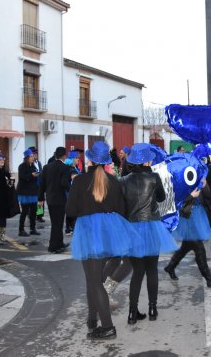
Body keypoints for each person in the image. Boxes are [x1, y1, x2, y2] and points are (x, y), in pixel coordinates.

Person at [66, 141, 139, 340]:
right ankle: (92, 319)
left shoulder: (79, 181)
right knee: (95, 281)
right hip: (111, 232)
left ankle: (107, 327)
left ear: (89, 159)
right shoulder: (114, 181)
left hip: (89, 233)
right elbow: (122, 210)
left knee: (93, 281)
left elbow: (70, 210)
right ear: (107, 160)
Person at [121, 143, 178, 325]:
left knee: (137, 271)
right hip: (152, 226)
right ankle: (153, 309)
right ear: (146, 161)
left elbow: (123, 207)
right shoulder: (153, 177)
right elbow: (161, 198)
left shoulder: (124, 180)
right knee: (152, 269)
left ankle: (132, 313)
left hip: (132, 228)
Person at [164, 183, 211, 288]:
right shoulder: (182, 174)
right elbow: (175, 198)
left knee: (187, 246)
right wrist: (191, 195)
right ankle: (209, 279)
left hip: (196, 215)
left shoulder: (198, 173)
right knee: (199, 249)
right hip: (188, 216)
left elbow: (208, 195)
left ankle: (170, 267)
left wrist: (205, 184)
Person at [38, 147, 70, 253]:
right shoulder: (65, 168)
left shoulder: (47, 167)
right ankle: (53, 246)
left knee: (56, 222)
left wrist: (40, 198)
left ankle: (59, 243)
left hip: (50, 199)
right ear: (64, 156)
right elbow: (64, 184)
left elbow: (42, 184)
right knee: (58, 224)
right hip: (60, 199)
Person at [17, 149, 40, 237]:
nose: (32, 158)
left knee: (34, 211)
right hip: (24, 192)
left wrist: (36, 175)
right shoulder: (21, 166)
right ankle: (21, 230)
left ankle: (32, 229)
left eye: (33, 156)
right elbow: (23, 177)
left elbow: (34, 179)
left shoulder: (33, 166)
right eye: (31, 156)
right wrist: (31, 175)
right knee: (25, 211)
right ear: (26, 158)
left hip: (33, 192)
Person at [64, 150, 81, 235]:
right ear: (73, 159)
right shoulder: (70, 169)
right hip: (70, 192)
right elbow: (73, 177)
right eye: (77, 158)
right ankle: (70, 228)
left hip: (74, 191)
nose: (78, 159)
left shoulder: (75, 168)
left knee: (71, 210)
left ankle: (68, 228)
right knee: (72, 210)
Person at [28, 147, 45, 225]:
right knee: (33, 201)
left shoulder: (39, 162)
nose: (35, 155)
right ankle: (31, 215)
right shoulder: (29, 164)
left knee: (40, 200)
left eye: (36, 154)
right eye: (34, 154)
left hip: (39, 184)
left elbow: (41, 172)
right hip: (32, 185)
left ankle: (39, 216)